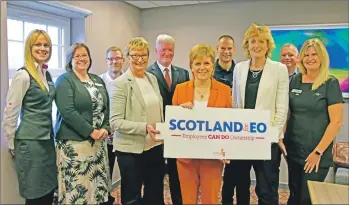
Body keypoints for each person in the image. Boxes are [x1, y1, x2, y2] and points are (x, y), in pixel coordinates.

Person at [231, 23, 289, 205]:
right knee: (241, 184)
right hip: (242, 137)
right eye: (252, 41)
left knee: (266, 187)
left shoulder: (279, 69)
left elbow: (282, 107)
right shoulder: (239, 68)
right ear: (247, 44)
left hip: (267, 139)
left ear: (268, 45)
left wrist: (274, 134)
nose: (256, 45)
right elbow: (235, 104)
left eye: (261, 41)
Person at [284, 38, 343, 205]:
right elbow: (288, 113)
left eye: (314, 54)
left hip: (316, 153)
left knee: (308, 198)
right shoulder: (295, 80)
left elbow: (336, 122)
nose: (310, 58)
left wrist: (317, 153)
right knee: (294, 194)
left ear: (322, 57)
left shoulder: (330, 83)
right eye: (306, 55)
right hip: (294, 150)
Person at [2, 29, 57, 205]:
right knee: (35, 195)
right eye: (38, 44)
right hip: (30, 143)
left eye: (46, 44)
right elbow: (10, 112)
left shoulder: (45, 74)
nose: (43, 48)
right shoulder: (23, 75)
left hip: (47, 142)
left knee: (49, 189)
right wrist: (12, 144)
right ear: (29, 47)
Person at [172, 44, 232, 204]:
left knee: (210, 200)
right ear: (191, 66)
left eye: (206, 63)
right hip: (186, 158)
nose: (202, 68)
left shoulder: (225, 91)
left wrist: (226, 149)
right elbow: (173, 123)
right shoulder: (180, 89)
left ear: (213, 65)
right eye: (197, 63)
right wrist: (180, 111)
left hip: (213, 158)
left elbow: (229, 124)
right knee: (188, 200)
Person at [109, 37, 165, 205]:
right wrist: (144, 127)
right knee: (132, 198)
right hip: (131, 150)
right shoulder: (120, 84)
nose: (139, 59)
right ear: (127, 57)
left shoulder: (152, 79)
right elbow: (115, 122)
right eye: (134, 55)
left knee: (155, 193)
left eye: (143, 55)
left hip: (154, 146)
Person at [54, 43, 111, 204]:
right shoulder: (64, 80)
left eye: (84, 55)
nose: (81, 59)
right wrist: (91, 131)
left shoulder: (97, 79)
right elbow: (68, 112)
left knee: (96, 189)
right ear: (70, 60)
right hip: (75, 146)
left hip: (98, 145)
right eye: (76, 56)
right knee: (78, 192)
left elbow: (106, 106)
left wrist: (105, 128)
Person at [146, 34, 189, 205]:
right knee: (155, 175)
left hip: (177, 132)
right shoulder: (148, 73)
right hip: (155, 130)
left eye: (170, 50)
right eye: (163, 49)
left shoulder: (183, 73)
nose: (167, 53)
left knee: (177, 174)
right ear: (156, 50)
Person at [100, 46, 125, 205]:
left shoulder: (129, 80)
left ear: (123, 60)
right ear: (106, 61)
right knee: (105, 170)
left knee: (127, 173)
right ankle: (106, 199)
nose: (114, 62)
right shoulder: (99, 81)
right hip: (105, 136)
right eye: (111, 59)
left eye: (117, 58)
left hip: (124, 135)